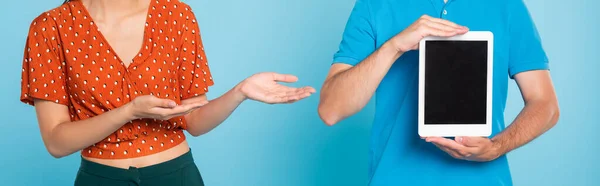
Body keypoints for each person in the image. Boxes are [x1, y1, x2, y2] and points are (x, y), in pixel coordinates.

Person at [20, 0, 315, 185]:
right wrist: (128, 111)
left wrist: (240, 92)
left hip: (176, 176)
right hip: (101, 178)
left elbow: (194, 121)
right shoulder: (50, 28)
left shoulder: (176, 14)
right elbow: (57, 142)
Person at [318, 0, 559, 185]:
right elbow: (331, 110)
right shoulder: (375, 5)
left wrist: (497, 146)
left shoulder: (506, 5)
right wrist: (395, 46)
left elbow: (545, 104)